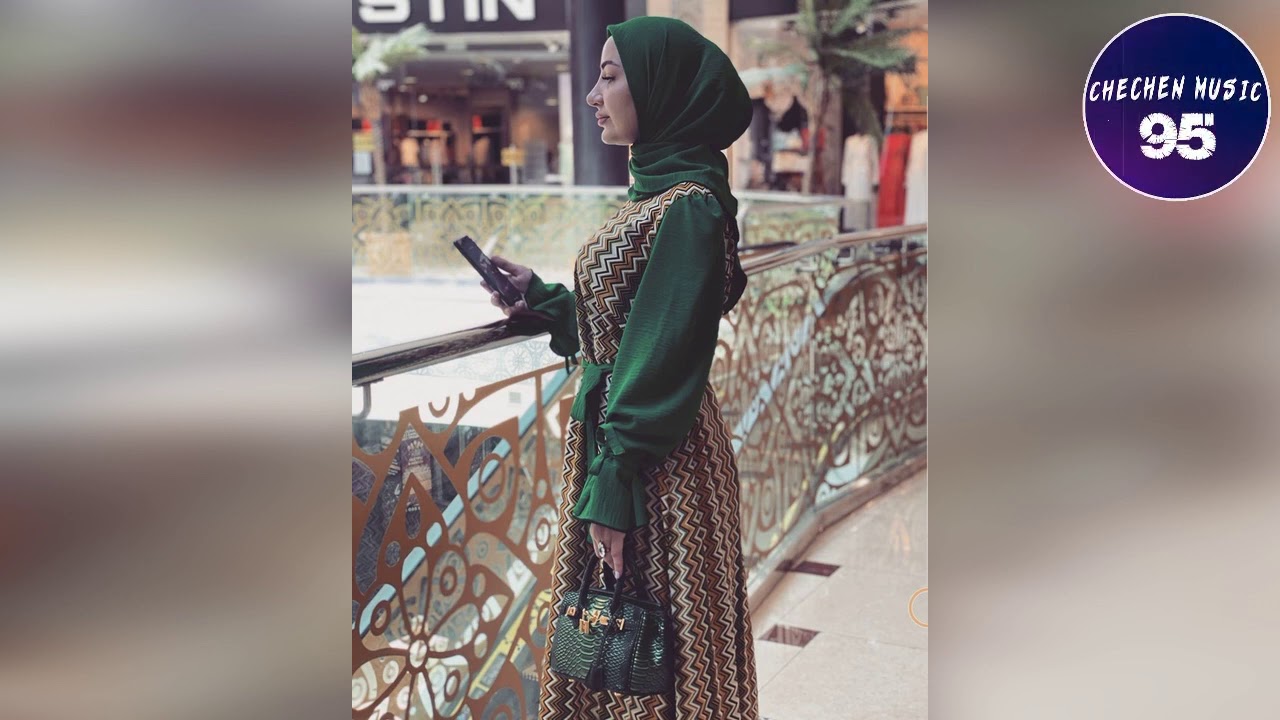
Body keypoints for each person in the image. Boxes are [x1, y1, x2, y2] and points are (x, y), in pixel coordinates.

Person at [482, 16, 759, 719]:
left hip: (653, 466)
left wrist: (616, 480)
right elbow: (625, 326)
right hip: (627, 452)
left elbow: (665, 352)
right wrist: (545, 301)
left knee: (649, 643)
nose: (592, 97)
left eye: (609, 78)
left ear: (661, 91)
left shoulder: (689, 207)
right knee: (618, 638)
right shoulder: (656, 196)